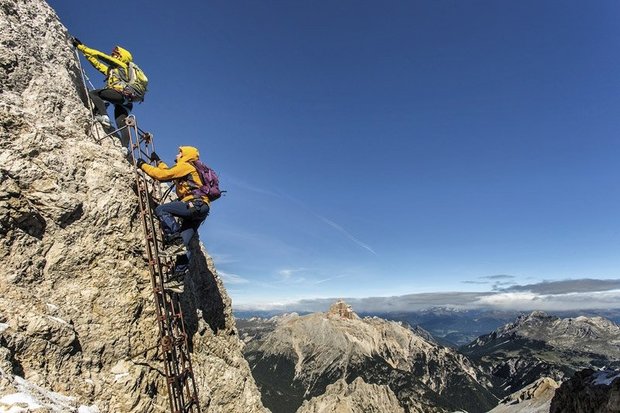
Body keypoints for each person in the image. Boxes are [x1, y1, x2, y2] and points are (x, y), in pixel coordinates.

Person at [137, 146, 211, 278]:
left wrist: (143, 165)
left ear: (185, 155)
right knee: (184, 244)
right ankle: (178, 278)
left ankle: (175, 240)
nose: (176, 155)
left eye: (179, 153)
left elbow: (162, 175)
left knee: (161, 209)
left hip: (195, 204)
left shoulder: (186, 166)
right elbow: (168, 171)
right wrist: (159, 161)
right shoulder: (189, 168)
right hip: (200, 209)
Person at [72, 38, 139, 150]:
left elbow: (101, 56)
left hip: (119, 95)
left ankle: (104, 116)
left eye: (115, 54)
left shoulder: (121, 66)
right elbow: (97, 65)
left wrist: (81, 47)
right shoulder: (115, 72)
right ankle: (125, 148)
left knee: (94, 94)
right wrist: (85, 53)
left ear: (121, 57)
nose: (113, 56)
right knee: (121, 122)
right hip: (127, 101)